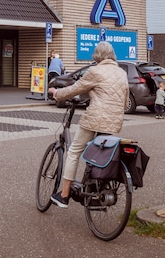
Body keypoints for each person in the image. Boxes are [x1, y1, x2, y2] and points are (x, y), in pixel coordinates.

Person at [47, 41, 128, 208]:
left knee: (74, 151)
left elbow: (75, 88)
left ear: (97, 56)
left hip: (95, 119)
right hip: (115, 121)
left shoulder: (95, 71)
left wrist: (56, 93)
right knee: (101, 153)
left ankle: (64, 195)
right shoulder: (122, 72)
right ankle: (97, 188)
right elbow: (125, 102)